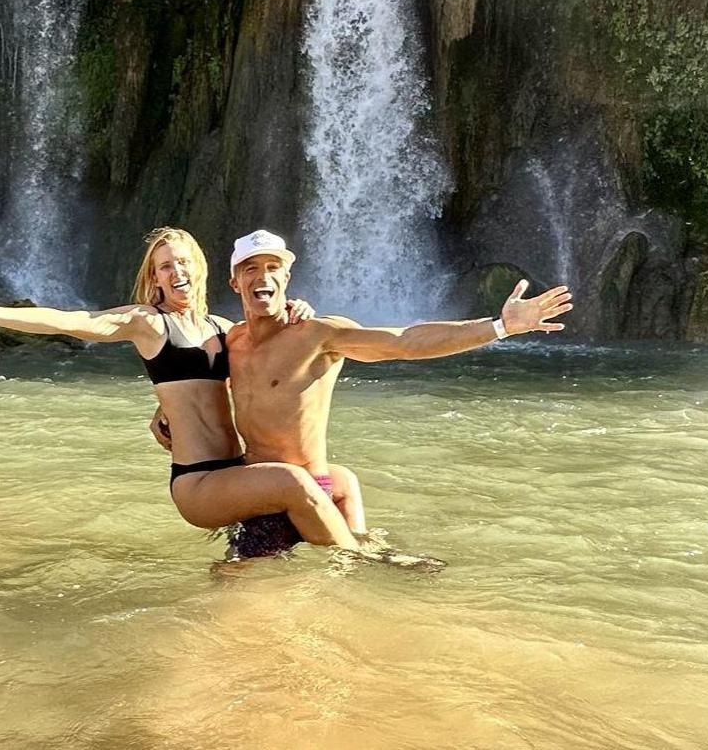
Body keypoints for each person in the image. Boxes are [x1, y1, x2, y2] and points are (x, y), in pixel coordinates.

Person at [0, 226, 362, 551]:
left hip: (237, 472)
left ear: (200, 268)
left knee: (340, 480)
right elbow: (74, 321)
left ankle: (337, 547)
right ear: (155, 278)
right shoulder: (149, 323)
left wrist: (297, 309)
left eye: (183, 262)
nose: (176, 271)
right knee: (292, 481)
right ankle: (358, 562)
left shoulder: (225, 329)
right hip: (198, 481)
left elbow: (266, 364)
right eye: (165, 266)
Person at [162, 230, 572, 558]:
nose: (262, 277)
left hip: (309, 491)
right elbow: (194, 390)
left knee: (350, 578)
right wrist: (165, 415)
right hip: (260, 501)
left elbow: (405, 341)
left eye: (273, 267)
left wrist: (500, 326)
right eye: (251, 268)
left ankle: (370, 558)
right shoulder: (230, 342)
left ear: (286, 278)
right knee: (242, 604)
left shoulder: (318, 335)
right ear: (235, 282)